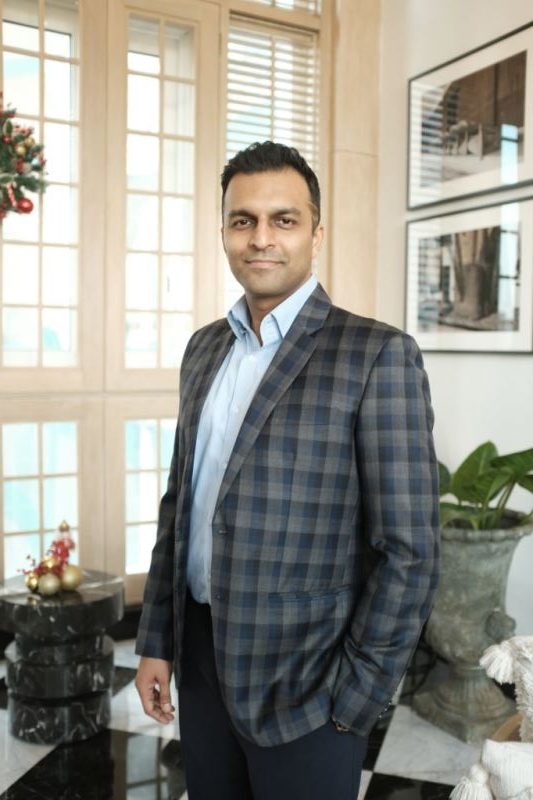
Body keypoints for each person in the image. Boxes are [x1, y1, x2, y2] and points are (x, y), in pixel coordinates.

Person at [135, 141, 440, 799]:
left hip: (311, 686)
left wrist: (358, 694)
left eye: (284, 219)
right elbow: (180, 506)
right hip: (201, 657)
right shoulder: (203, 349)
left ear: (315, 233)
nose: (260, 238)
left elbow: (410, 550)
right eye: (242, 220)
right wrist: (157, 640)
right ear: (224, 232)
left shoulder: (376, 355)